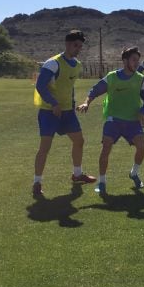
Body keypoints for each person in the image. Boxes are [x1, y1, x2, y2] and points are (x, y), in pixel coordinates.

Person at [76, 46, 144, 194]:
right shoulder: (112, 76)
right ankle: (102, 182)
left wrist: (142, 112)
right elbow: (95, 90)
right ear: (125, 61)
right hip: (113, 120)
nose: (137, 63)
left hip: (132, 122)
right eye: (133, 60)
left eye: (138, 60)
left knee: (141, 148)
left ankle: (134, 173)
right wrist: (87, 102)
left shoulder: (141, 79)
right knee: (106, 149)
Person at [32, 29, 96, 197]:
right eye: (76, 45)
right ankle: (37, 183)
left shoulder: (78, 65)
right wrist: (53, 104)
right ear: (67, 44)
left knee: (79, 141)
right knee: (45, 148)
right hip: (49, 112)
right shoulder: (53, 63)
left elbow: (69, 86)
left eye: (80, 46)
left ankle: (77, 174)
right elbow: (40, 86)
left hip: (67, 112)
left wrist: (73, 103)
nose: (78, 49)